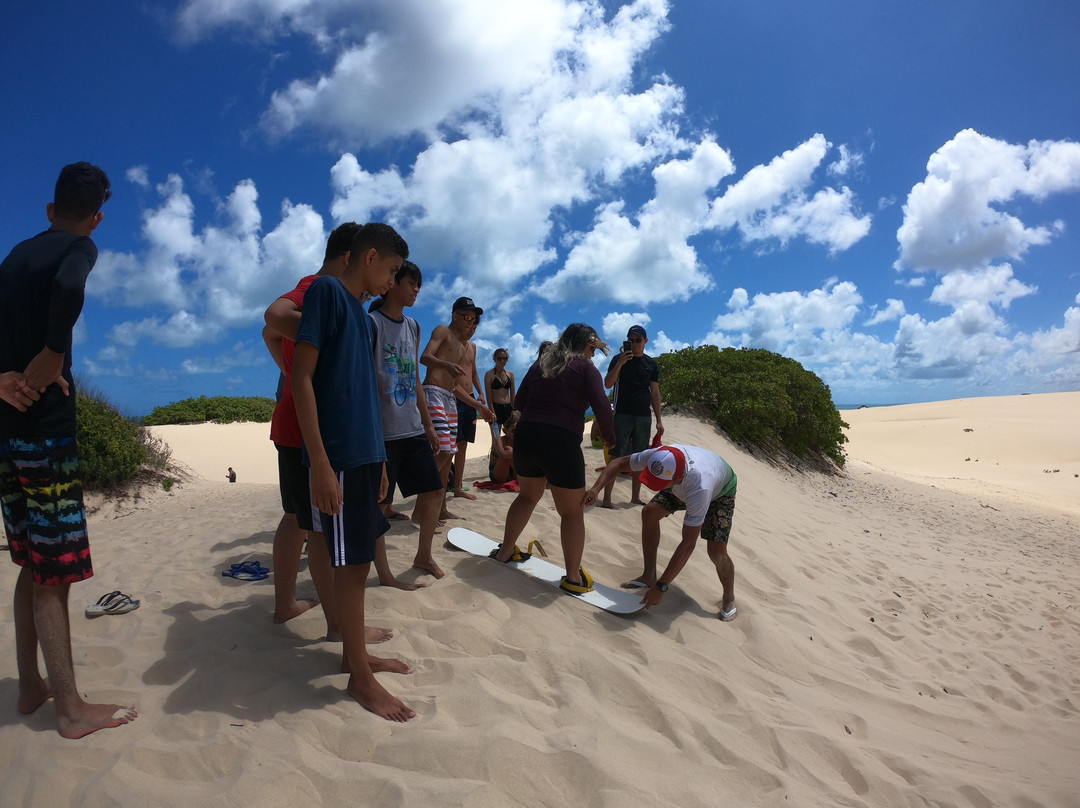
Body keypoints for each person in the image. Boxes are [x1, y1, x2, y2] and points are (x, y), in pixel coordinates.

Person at [0, 162, 138, 738]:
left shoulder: (11, 259)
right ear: (96, 219)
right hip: (47, 433)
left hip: (6, 434)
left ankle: (31, 685)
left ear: (51, 209)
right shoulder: (78, 249)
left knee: (33, 565)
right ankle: (70, 709)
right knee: (54, 574)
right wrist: (54, 351)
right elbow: (69, 285)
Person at [291, 222, 416, 722]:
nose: (391, 281)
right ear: (367, 258)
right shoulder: (325, 292)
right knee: (350, 565)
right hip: (338, 456)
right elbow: (302, 378)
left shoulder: (365, 322)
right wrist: (320, 462)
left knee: (358, 559)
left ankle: (353, 658)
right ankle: (359, 678)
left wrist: (382, 457)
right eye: (389, 270)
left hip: (365, 454)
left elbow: (366, 391)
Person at [262, 222, 365, 634]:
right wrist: (301, 371)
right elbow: (273, 316)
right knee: (317, 530)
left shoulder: (321, 289)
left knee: (298, 519)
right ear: (349, 258)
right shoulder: (320, 286)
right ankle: (339, 626)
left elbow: (270, 335)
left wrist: (292, 370)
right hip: (304, 429)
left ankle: (286, 604)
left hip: (294, 422)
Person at [493, 324, 615, 595]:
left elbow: (521, 402)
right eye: (592, 348)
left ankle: (504, 552)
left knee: (526, 497)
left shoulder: (540, 365)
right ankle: (573, 577)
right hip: (560, 441)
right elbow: (603, 407)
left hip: (526, 438)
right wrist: (610, 438)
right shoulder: (586, 369)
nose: (593, 355)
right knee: (571, 512)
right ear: (583, 344)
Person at [585, 444, 738, 620]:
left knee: (716, 552)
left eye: (659, 483)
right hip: (679, 483)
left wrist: (661, 587)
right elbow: (618, 463)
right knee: (649, 512)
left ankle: (729, 597)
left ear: (679, 476)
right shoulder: (659, 456)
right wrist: (596, 488)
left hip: (720, 492)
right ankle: (649, 575)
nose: (654, 487)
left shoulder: (700, 487)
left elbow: (688, 544)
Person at [368, 260, 446, 580]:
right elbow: (368, 385)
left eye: (419, 285)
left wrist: (428, 425)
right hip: (383, 433)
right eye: (411, 283)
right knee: (378, 505)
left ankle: (423, 556)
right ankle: (384, 573)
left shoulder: (414, 326)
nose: (416, 290)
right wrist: (372, 438)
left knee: (434, 490)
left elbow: (413, 377)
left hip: (412, 426)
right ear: (393, 283)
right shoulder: (372, 323)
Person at [419, 297, 493, 521]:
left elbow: (456, 388)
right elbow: (424, 357)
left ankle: (438, 508)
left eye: (474, 319)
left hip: (449, 397)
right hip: (433, 392)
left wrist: (480, 406)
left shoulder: (463, 348)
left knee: (450, 452)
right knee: (441, 451)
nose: (471, 323)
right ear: (455, 315)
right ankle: (421, 507)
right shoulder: (442, 330)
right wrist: (445, 365)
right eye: (467, 317)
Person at [600, 324, 663, 507]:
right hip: (622, 415)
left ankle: (635, 497)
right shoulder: (617, 360)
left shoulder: (651, 364)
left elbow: (655, 393)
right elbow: (608, 383)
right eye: (631, 340)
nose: (634, 343)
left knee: (640, 457)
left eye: (638, 340)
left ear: (645, 341)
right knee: (617, 456)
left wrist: (659, 420)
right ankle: (606, 499)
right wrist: (620, 362)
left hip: (644, 416)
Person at [449, 316, 487, 502]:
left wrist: (480, 393)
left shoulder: (472, 346)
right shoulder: (452, 343)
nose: (471, 329)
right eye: (470, 326)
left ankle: (457, 486)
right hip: (454, 397)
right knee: (450, 446)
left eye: (475, 327)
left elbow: (473, 371)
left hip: (471, 398)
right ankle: (445, 486)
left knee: (463, 445)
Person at [484, 348, 516, 428]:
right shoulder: (489, 375)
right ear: (495, 359)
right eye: (499, 358)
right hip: (496, 407)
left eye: (505, 359)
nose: (502, 361)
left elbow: (512, 393)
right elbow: (489, 396)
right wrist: (492, 412)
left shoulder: (510, 374)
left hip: (508, 407)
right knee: (496, 438)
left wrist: (514, 409)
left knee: (511, 436)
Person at [488, 410, 518, 484]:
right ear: (505, 431)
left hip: (515, 471)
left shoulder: (521, 440)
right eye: (513, 431)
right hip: (498, 473)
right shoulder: (500, 440)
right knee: (508, 450)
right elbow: (503, 454)